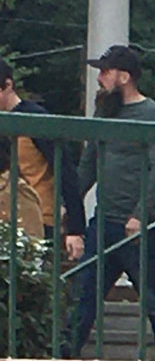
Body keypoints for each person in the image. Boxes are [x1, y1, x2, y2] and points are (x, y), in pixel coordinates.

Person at [66, 45, 155, 361]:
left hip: (137, 228)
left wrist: (140, 214)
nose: (100, 78)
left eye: (106, 72)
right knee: (84, 296)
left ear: (124, 77)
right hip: (104, 222)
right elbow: (89, 162)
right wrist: (70, 206)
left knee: (154, 300)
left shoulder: (153, 115)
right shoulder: (104, 113)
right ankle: (61, 359)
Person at [0, 59, 86, 258]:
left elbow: (66, 170)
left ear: (8, 86)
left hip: (39, 218)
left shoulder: (36, 120)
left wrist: (75, 228)